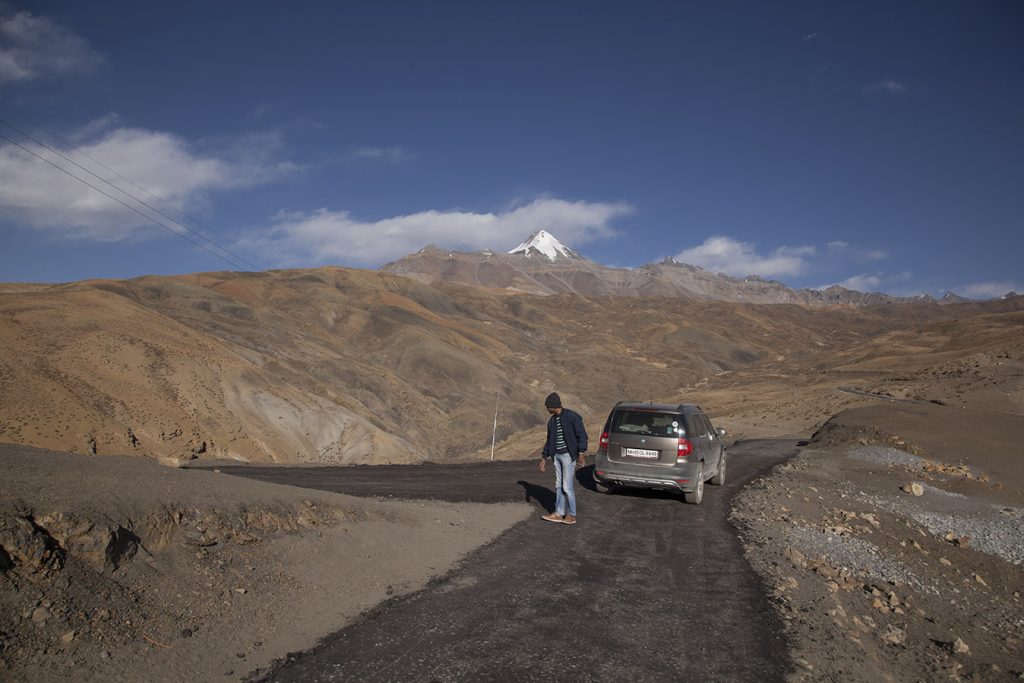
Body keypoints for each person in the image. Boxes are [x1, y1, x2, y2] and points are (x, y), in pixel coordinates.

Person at [539, 392, 588, 525]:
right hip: (557, 456)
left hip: (568, 455)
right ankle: (559, 513)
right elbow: (549, 440)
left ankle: (571, 515)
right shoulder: (552, 421)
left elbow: (582, 435)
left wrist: (581, 452)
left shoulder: (572, 417)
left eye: (547, 406)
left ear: (553, 406)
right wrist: (544, 457)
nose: (546, 409)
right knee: (558, 485)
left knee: (567, 486)